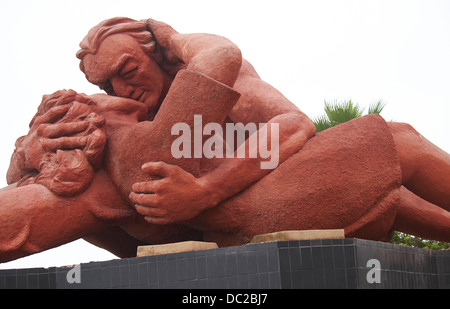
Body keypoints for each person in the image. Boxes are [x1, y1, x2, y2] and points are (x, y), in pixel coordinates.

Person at [1, 17, 448, 262]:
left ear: (158, 54)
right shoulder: (136, 132)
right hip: (242, 227)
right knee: (395, 143)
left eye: (128, 71)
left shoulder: (217, 88)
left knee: (390, 174)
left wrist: (206, 191)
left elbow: (293, 126)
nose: (121, 90)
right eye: (108, 86)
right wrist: (27, 153)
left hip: (279, 186)